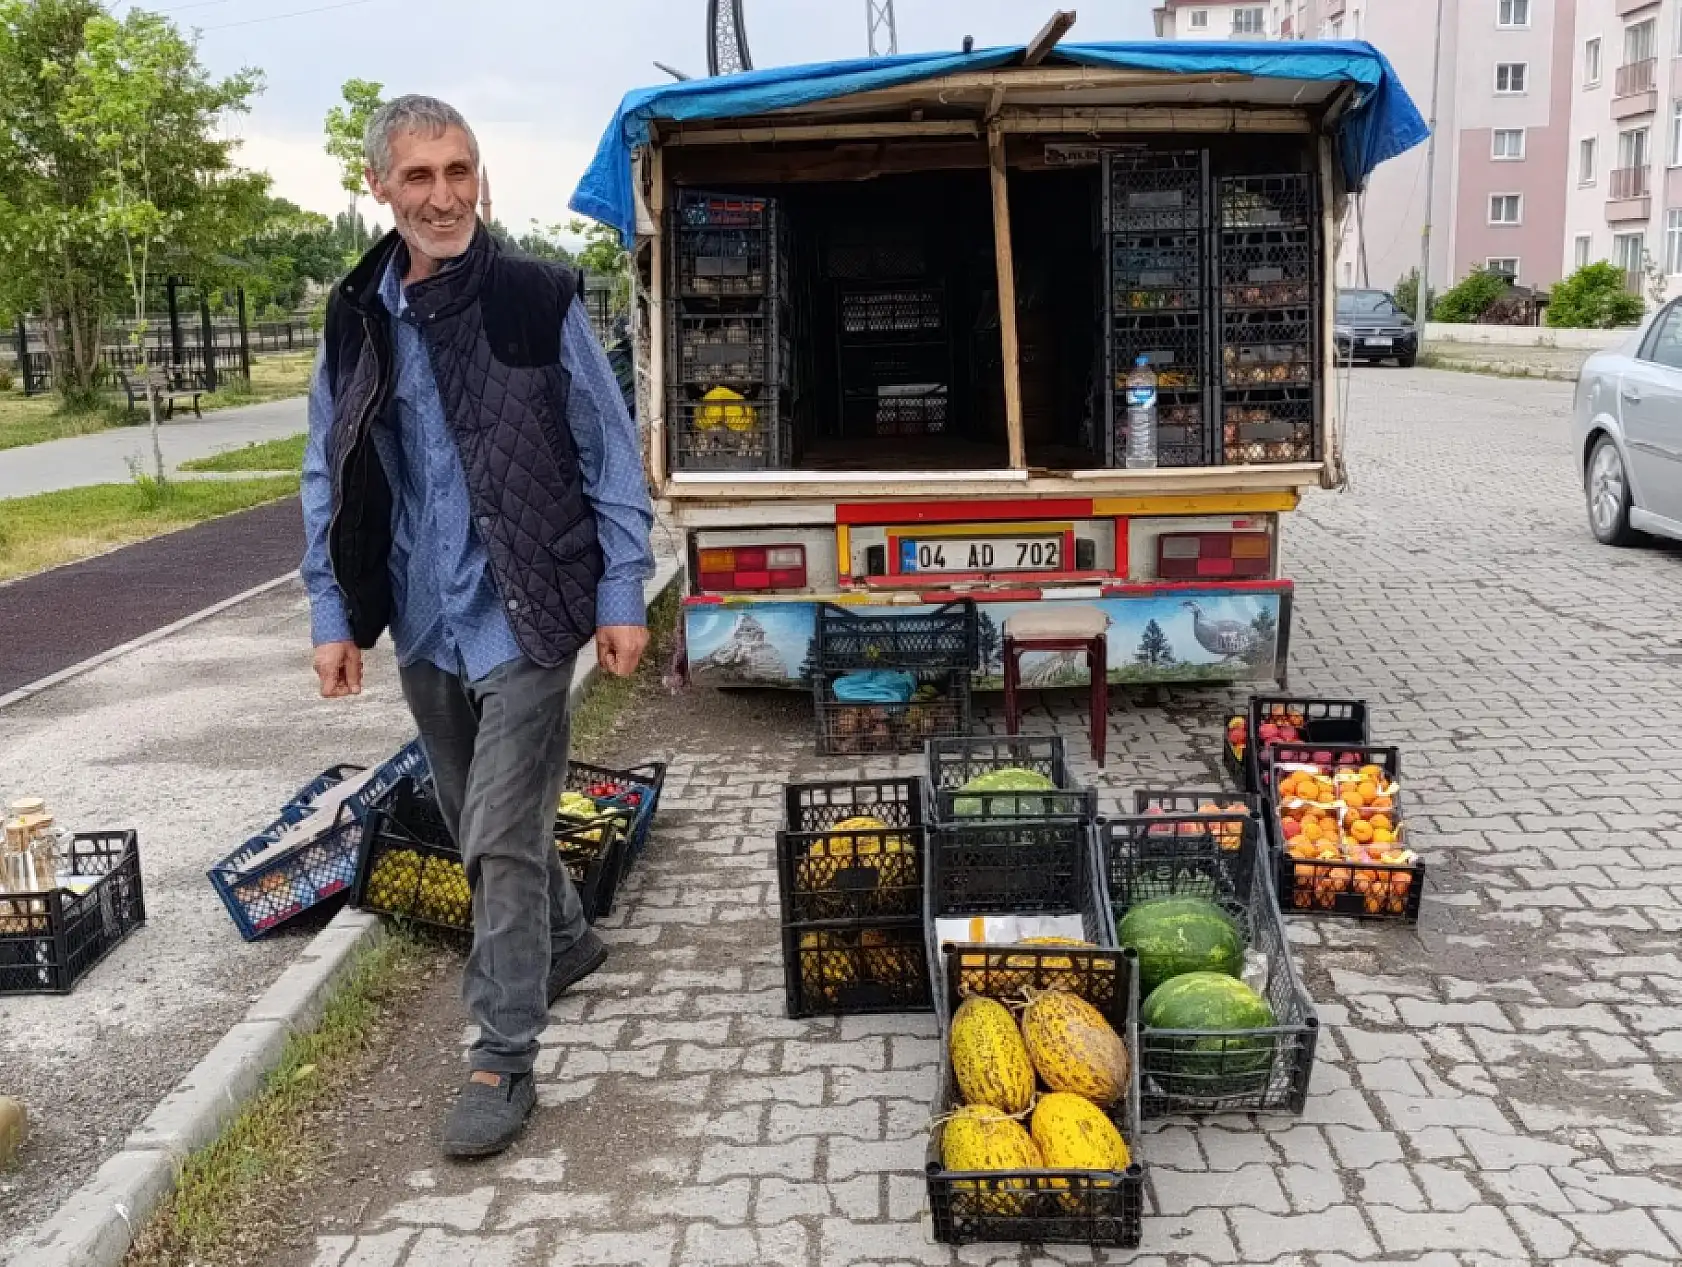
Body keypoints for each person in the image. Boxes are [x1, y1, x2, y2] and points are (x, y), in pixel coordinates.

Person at [300, 95, 655, 1159]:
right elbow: (328, 464)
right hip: (424, 615)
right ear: (380, 188)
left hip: (533, 607)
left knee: (498, 833)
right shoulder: (354, 311)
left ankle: (501, 1054)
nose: (444, 195)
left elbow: (607, 446)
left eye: (460, 171)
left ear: (480, 177)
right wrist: (333, 610)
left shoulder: (532, 294)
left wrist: (623, 590)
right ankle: (564, 937)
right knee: (473, 819)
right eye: (420, 176)